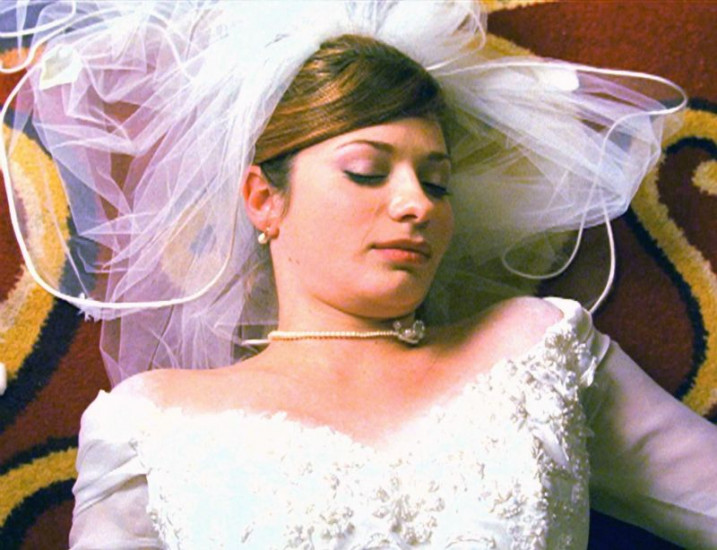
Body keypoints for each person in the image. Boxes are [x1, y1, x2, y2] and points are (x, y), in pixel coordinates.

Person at [2, 1, 716, 549]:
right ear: (264, 199)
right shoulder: (150, 425)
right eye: (368, 171)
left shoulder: (540, 348)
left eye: (436, 182)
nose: (416, 204)